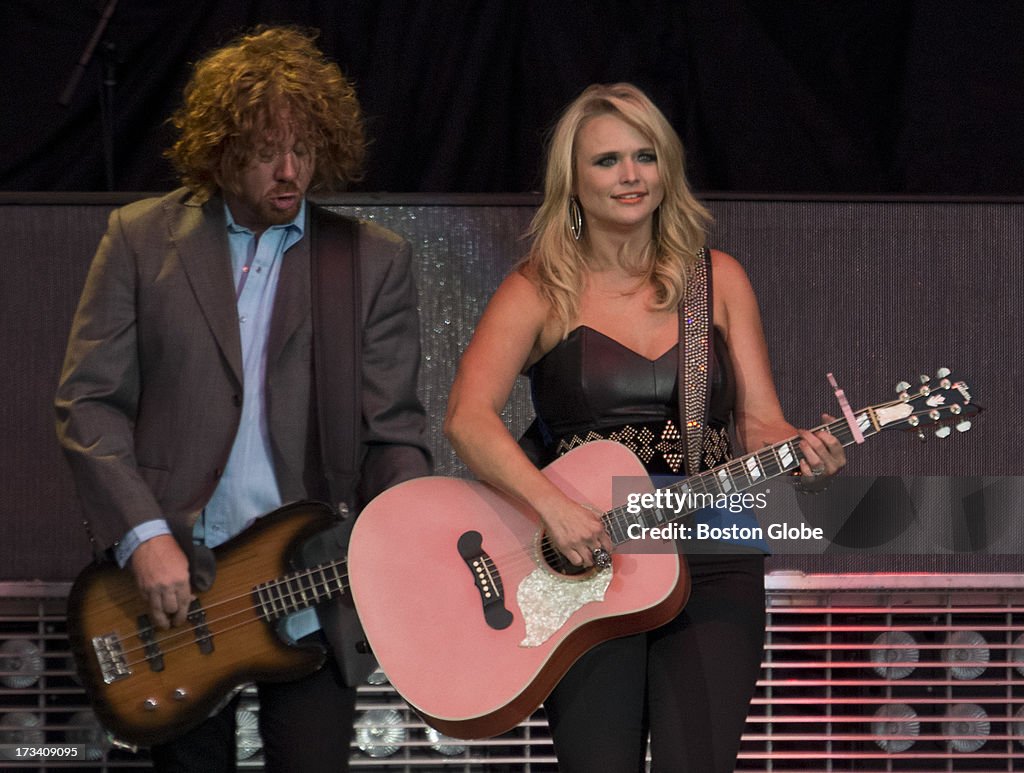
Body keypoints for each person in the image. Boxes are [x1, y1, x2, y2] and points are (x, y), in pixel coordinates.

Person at [55, 26, 431, 773]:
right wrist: (143, 534)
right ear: (221, 147)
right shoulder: (138, 238)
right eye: (265, 150)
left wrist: (410, 520)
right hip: (175, 586)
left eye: (305, 148)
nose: (289, 171)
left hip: (311, 579)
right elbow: (88, 403)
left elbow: (393, 432)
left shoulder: (371, 260)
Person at [444, 83, 845, 772]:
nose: (631, 176)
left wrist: (802, 451)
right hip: (589, 565)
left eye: (645, 156)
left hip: (715, 550)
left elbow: (758, 420)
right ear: (573, 178)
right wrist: (552, 508)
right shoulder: (538, 288)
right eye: (607, 161)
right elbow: (467, 419)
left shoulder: (717, 280)